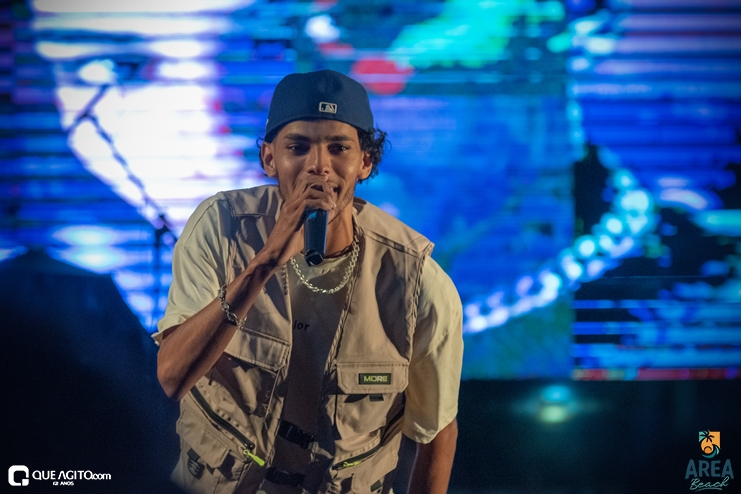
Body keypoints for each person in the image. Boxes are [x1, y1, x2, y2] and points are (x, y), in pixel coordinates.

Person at [155, 69, 463, 494]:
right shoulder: (222, 228)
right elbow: (172, 378)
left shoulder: (417, 280)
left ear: (365, 162)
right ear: (269, 159)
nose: (319, 166)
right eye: (298, 147)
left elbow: (436, 430)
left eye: (339, 148)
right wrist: (264, 262)